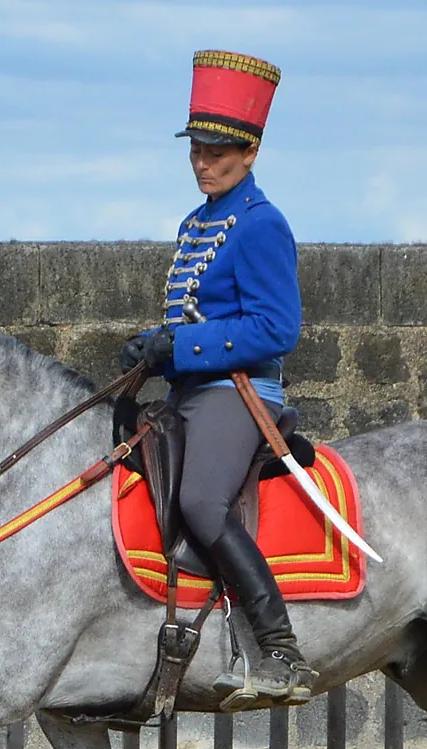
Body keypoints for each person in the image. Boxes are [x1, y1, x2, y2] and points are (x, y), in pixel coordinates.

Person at [119, 49, 316, 711]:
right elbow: (195, 316)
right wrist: (154, 350)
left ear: (250, 151)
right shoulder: (196, 224)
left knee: (203, 502)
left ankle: (280, 649)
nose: (203, 164)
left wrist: (183, 344)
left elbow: (275, 327)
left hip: (239, 393)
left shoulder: (261, 224)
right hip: (190, 390)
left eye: (218, 153)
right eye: (196, 152)